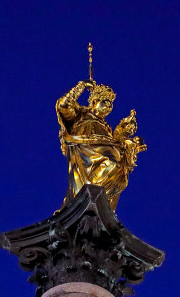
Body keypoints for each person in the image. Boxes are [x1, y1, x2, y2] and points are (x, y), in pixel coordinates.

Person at [56, 80, 144, 209]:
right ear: (94, 101)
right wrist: (81, 87)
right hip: (86, 158)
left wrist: (131, 145)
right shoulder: (81, 114)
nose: (108, 106)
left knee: (121, 177)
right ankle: (90, 195)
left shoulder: (107, 129)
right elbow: (63, 106)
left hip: (103, 160)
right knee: (111, 164)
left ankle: (98, 202)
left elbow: (117, 144)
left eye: (111, 104)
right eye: (105, 102)